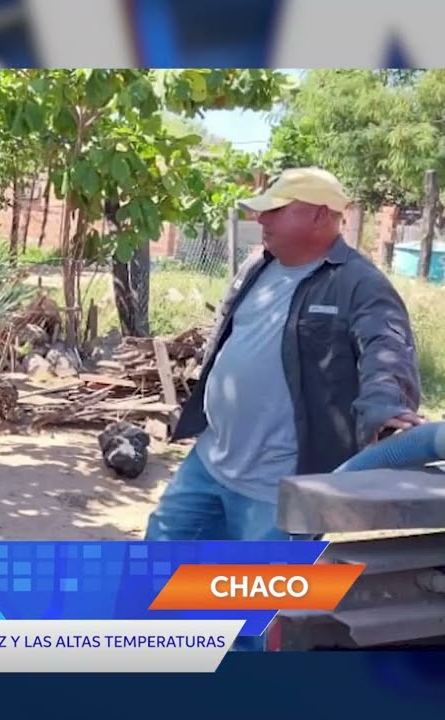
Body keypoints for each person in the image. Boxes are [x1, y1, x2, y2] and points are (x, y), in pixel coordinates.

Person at [148, 167, 422, 550]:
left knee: (252, 598)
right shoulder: (258, 263)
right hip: (211, 460)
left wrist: (386, 407)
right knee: (158, 559)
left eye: (275, 211)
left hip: (278, 486)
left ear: (319, 215)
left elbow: (386, 347)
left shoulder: (358, 283)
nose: (261, 218)